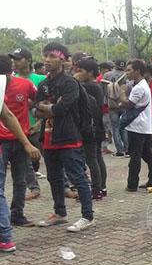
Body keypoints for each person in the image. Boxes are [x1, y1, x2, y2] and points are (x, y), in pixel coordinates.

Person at [33, 43, 95, 232]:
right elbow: (36, 111)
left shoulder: (69, 83)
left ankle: (87, 216)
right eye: (45, 56)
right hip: (49, 138)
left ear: (62, 59)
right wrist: (48, 108)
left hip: (69, 137)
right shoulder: (43, 84)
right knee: (54, 178)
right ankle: (60, 213)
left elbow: (62, 109)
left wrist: (48, 108)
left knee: (77, 177)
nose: (47, 60)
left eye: (52, 56)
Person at [0, 55, 39, 229]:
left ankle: (17, 215)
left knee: (20, 180)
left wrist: (38, 123)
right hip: (2, 142)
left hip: (21, 139)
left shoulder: (25, 84)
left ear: (10, 73)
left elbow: (40, 101)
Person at [9, 48, 44, 201]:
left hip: (36, 126)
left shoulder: (40, 79)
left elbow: (45, 103)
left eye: (18, 58)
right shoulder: (10, 80)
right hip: (18, 128)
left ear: (28, 60)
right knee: (25, 162)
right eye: (14, 59)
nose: (15, 62)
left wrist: (38, 122)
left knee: (50, 157)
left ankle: (67, 185)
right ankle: (34, 187)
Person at [121, 59, 152, 192]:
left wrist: (121, 93)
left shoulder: (139, 88)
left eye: (129, 70)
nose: (127, 73)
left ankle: (132, 184)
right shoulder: (142, 85)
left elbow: (128, 104)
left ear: (137, 71)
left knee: (135, 156)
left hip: (137, 127)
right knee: (147, 154)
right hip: (143, 126)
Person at [75, 58, 108, 200]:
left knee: (92, 159)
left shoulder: (88, 87)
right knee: (97, 158)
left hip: (90, 128)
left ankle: (96, 189)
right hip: (97, 127)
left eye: (81, 71)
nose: (78, 73)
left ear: (90, 72)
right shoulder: (96, 86)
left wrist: (74, 80)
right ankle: (101, 187)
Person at [103, 59, 128, 156]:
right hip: (123, 103)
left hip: (112, 104)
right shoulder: (126, 75)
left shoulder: (107, 75)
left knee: (115, 127)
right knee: (124, 127)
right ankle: (127, 148)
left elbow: (104, 90)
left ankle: (119, 150)